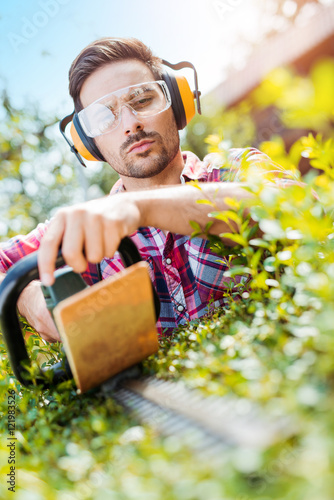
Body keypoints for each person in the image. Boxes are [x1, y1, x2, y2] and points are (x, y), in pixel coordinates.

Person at [0, 37, 294, 342]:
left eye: (142, 100)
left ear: (178, 102)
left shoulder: (234, 169)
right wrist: (26, 297)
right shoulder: (86, 230)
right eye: (105, 116)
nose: (130, 124)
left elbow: (297, 210)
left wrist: (139, 208)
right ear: (89, 144)